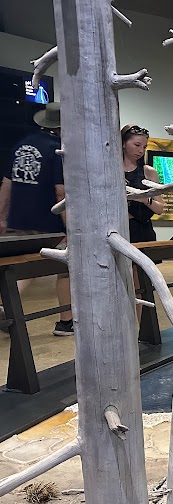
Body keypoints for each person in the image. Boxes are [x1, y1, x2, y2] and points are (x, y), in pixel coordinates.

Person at [0, 102, 73, 336]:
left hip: (18, 219)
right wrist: (69, 226)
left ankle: (5, 308)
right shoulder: (57, 150)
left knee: (22, 268)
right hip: (47, 222)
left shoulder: (21, 145)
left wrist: (2, 217)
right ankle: (66, 321)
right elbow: (60, 192)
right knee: (65, 268)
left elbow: (7, 184)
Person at [121, 124, 164, 321]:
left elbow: (159, 208)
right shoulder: (109, 169)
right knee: (118, 282)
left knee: (140, 285)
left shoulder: (148, 173)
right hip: (117, 230)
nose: (141, 150)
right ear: (123, 144)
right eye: (137, 145)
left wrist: (142, 198)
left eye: (144, 146)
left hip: (141, 231)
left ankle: (139, 330)